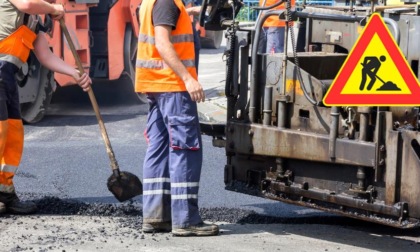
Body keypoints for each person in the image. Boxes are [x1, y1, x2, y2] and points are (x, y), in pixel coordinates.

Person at [135, 0, 219, 236]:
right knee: (184, 147)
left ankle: (156, 216)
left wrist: (190, 11)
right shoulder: (166, 2)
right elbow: (162, 43)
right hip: (172, 85)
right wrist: (188, 78)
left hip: (156, 84)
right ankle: (186, 220)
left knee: (159, 148)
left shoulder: (155, 2)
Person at [0, 0, 92, 214]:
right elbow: (27, 4)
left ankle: (4, 191)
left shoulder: (34, 20)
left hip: (7, 76)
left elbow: (45, 55)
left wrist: (74, 74)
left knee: (13, 134)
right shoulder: (27, 5)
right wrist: (53, 9)